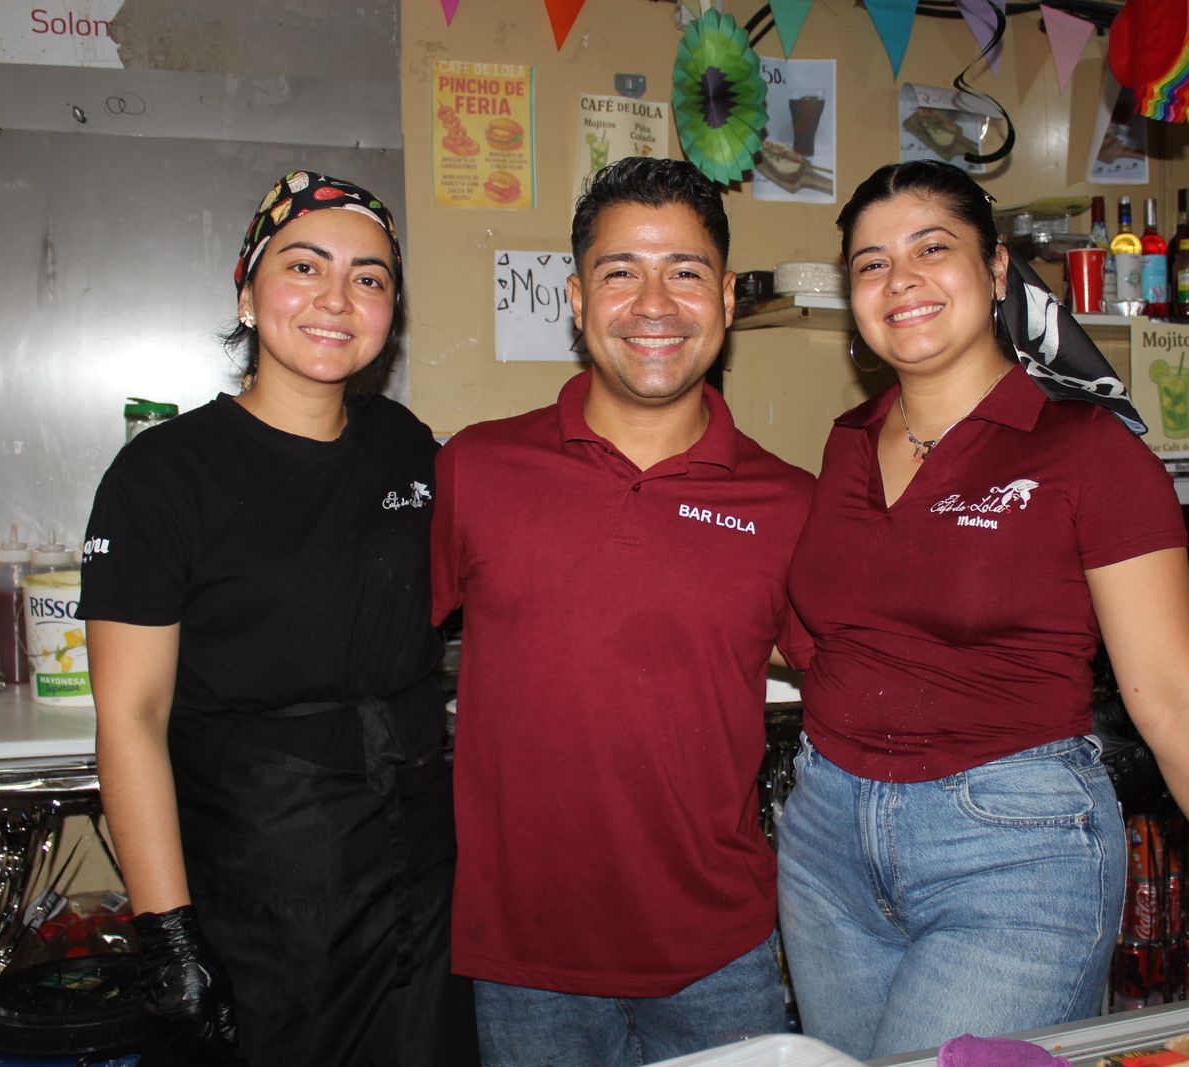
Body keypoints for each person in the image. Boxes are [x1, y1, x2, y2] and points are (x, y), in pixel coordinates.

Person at [777, 160, 1189, 1060]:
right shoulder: (846, 443)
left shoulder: (1087, 450)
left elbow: (1175, 694)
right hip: (826, 846)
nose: (900, 279)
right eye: (871, 263)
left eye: (932, 248)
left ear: (998, 268)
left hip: (1009, 852)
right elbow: (833, 633)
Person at [80, 171, 477, 1065]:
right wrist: (168, 937)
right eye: (305, 266)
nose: (338, 298)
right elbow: (131, 717)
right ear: (247, 292)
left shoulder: (405, 446)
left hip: (419, 888)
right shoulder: (163, 476)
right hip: (258, 898)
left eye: (369, 277)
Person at [430, 156, 813, 1067]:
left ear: (726, 298)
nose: (653, 304)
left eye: (684, 271)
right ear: (575, 298)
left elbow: (868, 693)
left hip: (721, 952)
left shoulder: (792, 503)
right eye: (619, 272)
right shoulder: (476, 470)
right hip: (524, 956)